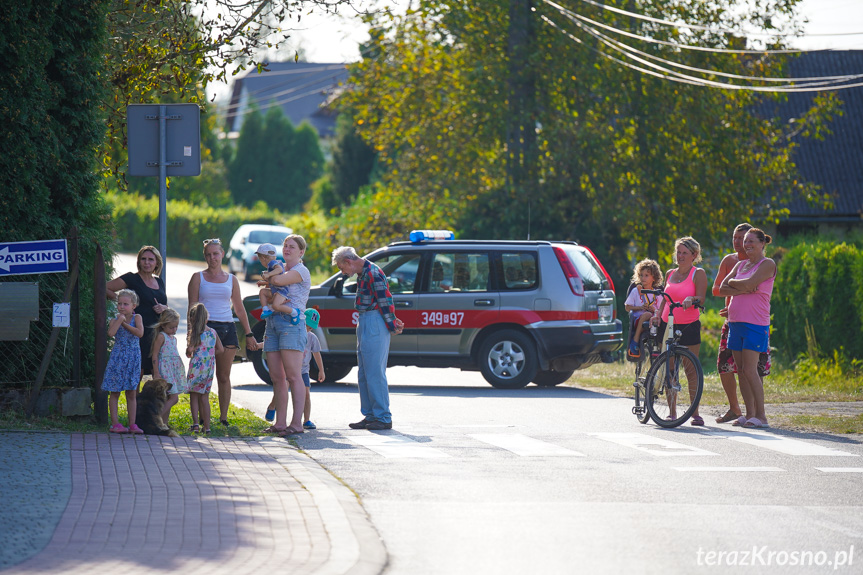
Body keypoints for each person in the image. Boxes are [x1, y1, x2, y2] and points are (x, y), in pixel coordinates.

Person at [331, 246, 405, 431]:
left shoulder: (373, 273)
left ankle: (383, 416)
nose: (343, 272)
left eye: (342, 268)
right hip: (365, 319)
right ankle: (370, 415)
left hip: (374, 320)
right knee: (364, 372)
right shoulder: (364, 273)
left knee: (374, 372)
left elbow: (385, 300)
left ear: (348, 261)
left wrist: (391, 324)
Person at [188, 238, 258, 427]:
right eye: (209, 255)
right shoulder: (198, 277)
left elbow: (239, 308)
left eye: (216, 254)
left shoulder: (232, 279)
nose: (213, 258)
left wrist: (249, 333)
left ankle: (223, 417)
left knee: (224, 375)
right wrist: (191, 337)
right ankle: (203, 418)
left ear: (222, 254)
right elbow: (192, 308)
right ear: (205, 257)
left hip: (228, 328)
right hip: (206, 329)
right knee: (203, 375)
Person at [712, 223, 772, 423]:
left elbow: (745, 283)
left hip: (755, 324)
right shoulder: (739, 265)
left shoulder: (767, 264)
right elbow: (721, 288)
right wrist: (745, 287)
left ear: (762, 243)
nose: (747, 245)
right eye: (745, 241)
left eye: (751, 241)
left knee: (750, 369)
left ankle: (761, 416)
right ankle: (749, 415)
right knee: (740, 370)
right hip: (735, 322)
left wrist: (740, 285)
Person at [650, 237, 708, 426]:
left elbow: (702, 298)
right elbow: (666, 299)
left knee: (692, 370)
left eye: (685, 253)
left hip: (689, 324)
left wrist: (692, 299)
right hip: (668, 323)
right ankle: (672, 412)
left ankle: (695, 413)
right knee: (670, 369)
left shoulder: (697, 273)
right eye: (678, 252)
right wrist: (658, 314)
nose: (681, 256)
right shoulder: (670, 273)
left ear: (694, 255)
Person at [260, 235, 312, 436]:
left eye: (292, 247)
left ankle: (297, 423)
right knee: (277, 377)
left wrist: (269, 275)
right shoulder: (281, 268)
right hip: (273, 322)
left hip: (292, 324)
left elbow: (277, 280)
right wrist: (271, 276)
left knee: (293, 375)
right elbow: (272, 284)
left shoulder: (300, 270)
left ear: (301, 252)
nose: (287, 249)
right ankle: (280, 423)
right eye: (285, 246)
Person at [106, 245, 168, 379]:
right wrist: (124, 302)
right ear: (139, 261)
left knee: (157, 371)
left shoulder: (159, 281)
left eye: (151, 259)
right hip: (137, 332)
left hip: (157, 333)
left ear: (157, 262)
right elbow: (105, 288)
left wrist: (165, 308)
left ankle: (151, 400)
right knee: (137, 372)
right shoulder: (132, 278)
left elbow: (164, 303)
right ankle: (134, 399)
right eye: (143, 259)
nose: (147, 262)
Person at [264, 308, 325, 430]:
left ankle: (306, 420)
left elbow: (317, 354)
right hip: (289, 369)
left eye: (310, 328)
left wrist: (321, 370)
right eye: (306, 326)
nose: (307, 329)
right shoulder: (293, 333)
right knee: (282, 389)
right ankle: (273, 405)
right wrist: (260, 345)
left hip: (303, 371)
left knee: (306, 394)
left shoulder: (312, 338)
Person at [101, 289, 145, 434]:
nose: (121, 307)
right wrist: (119, 321)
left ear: (134, 305)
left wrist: (125, 324)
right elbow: (111, 333)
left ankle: (132, 424)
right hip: (118, 358)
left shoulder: (137, 317)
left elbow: (140, 333)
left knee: (131, 392)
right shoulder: (115, 319)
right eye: (119, 303)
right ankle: (115, 424)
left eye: (126, 304)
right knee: (115, 391)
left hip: (133, 358)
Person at [186, 303, 223, 434]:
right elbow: (220, 349)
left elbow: (189, 352)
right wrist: (209, 355)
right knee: (204, 397)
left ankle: (196, 424)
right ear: (206, 318)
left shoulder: (195, 334)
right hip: (208, 367)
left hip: (196, 367)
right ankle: (207, 427)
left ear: (192, 319)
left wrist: (191, 351)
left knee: (194, 396)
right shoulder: (213, 332)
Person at [150, 308, 186, 424]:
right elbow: (154, 355)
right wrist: (156, 372)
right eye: (171, 327)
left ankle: (163, 424)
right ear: (163, 326)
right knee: (174, 398)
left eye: (176, 327)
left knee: (168, 398)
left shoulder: (173, 338)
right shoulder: (161, 336)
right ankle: (156, 418)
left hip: (173, 371)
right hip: (165, 370)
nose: (174, 330)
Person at [624, 259, 663, 358]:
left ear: (654, 277)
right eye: (641, 275)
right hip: (638, 320)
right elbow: (627, 307)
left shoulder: (657, 294)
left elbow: (662, 310)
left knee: (653, 316)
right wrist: (640, 307)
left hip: (654, 320)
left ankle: (659, 347)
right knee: (647, 314)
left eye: (646, 275)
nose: (643, 278)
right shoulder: (635, 291)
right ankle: (635, 339)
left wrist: (653, 310)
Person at [256, 243, 300, 322]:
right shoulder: (273, 264)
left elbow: (279, 270)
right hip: (276, 289)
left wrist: (268, 274)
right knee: (262, 292)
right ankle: (265, 309)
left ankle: (294, 312)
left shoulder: (272, 263)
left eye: (260, 259)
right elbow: (275, 280)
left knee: (276, 306)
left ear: (263, 258)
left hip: (281, 290)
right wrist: (265, 283)